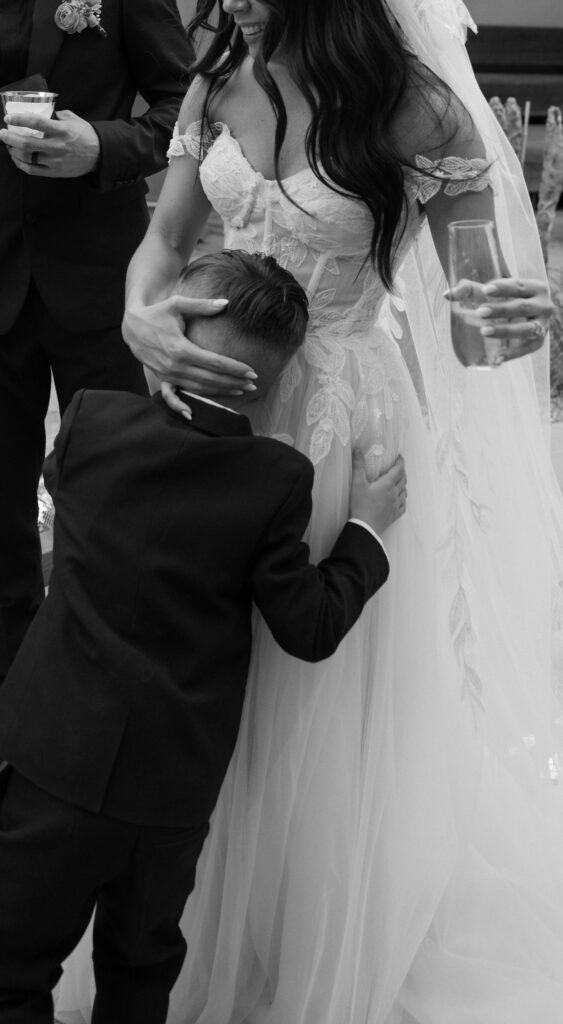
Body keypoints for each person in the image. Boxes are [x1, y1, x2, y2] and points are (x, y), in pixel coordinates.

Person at [54, 0, 563, 1022]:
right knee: (194, 665)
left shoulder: (413, 110)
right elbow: (160, 245)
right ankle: (170, 912)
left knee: (299, 683)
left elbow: (476, 330)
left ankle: (298, 926)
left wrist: (510, 314)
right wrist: (139, 318)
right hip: (200, 414)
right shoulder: (217, 80)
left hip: (334, 432)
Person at [0, 249, 406, 1024]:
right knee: (139, 973)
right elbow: (308, 627)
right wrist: (366, 526)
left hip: (48, 763)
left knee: (3, 979)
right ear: (266, 381)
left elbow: (60, 496)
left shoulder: (94, 418)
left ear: (177, 332)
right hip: (169, 794)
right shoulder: (276, 479)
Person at [0, 0, 193, 811]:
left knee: (114, 518)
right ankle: (7, 719)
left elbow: (186, 111)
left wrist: (103, 145)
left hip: (101, 285)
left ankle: (109, 719)